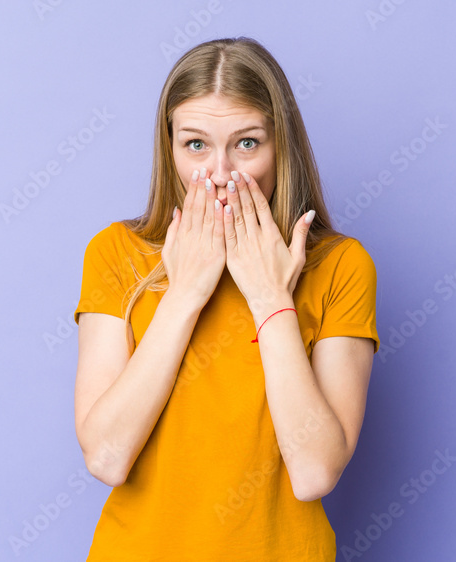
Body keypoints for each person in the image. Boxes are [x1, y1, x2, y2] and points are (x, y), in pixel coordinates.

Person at [72, 36, 381, 560]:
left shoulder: (340, 265)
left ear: (280, 145)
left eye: (246, 143)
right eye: (196, 144)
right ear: (168, 148)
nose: (218, 173)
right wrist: (185, 292)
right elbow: (106, 457)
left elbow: (315, 472)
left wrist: (269, 297)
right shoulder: (116, 253)